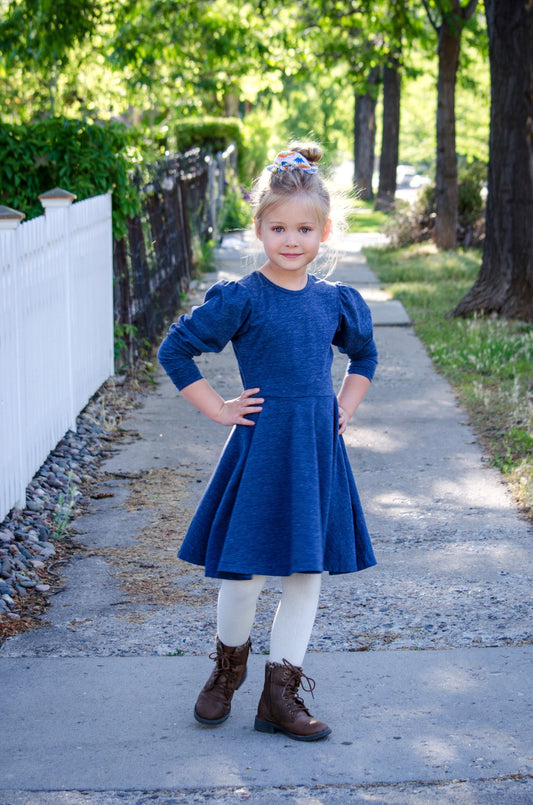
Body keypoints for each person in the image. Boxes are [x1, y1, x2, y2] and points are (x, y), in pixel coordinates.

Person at [158, 142, 378, 742]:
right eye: (278, 226)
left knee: (307, 575)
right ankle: (227, 673)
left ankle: (279, 697)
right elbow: (175, 349)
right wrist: (221, 408)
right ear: (259, 228)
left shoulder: (335, 300)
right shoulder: (244, 297)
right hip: (259, 451)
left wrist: (344, 408)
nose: (291, 239)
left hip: (314, 451)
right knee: (244, 574)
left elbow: (365, 356)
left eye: (304, 228)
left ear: (324, 231)